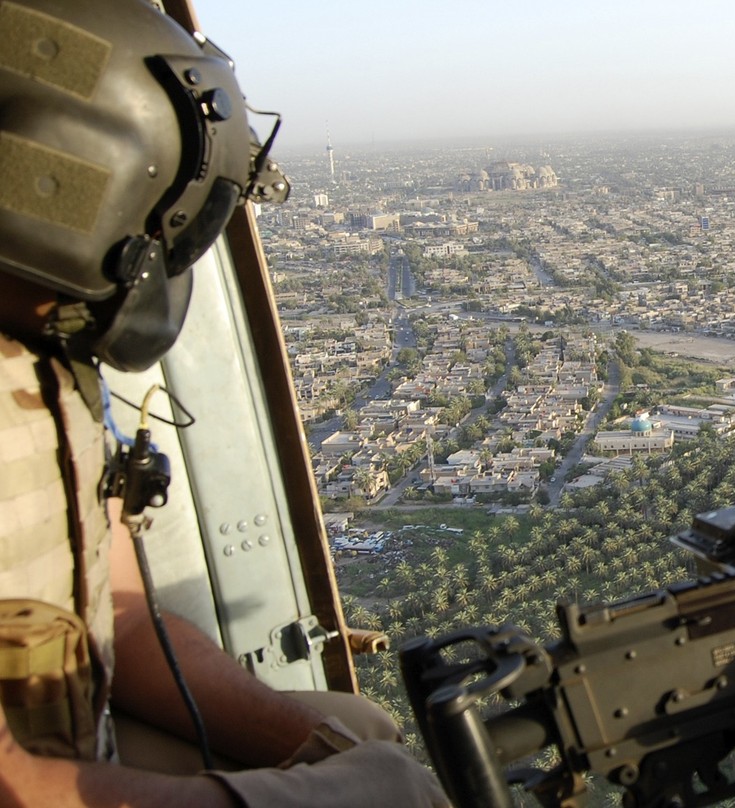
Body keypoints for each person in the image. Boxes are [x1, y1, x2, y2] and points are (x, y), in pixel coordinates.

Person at [0, 1, 447, 805]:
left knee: (362, 732)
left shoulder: (44, 371)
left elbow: (127, 624)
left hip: (70, 735)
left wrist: (310, 749)